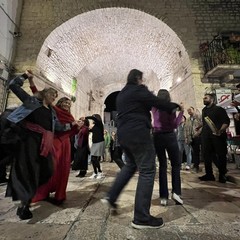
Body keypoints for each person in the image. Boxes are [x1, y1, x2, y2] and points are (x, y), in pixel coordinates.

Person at [102, 69, 179, 229]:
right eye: (142, 79)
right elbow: (156, 102)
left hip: (124, 134)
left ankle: (111, 196)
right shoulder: (139, 90)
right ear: (138, 78)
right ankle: (141, 218)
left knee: (130, 165)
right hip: (138, 133)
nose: (143, 82)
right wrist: (173, 106)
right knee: (148, 170)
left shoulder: (122, 94)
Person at [5, 71, 80, 220]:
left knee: (47, 170)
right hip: (28, 142)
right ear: (44, 94)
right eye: (52, 94)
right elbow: (13, 85)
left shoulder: (52, 111)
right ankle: (24, 206)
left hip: (44, 144)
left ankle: (28, 197)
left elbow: (58, 127)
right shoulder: (32, 101)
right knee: (28, 173)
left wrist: (72, 125)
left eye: (55, 96)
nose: (54, 97)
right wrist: (26, 76)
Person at [152, 89, 184, 206]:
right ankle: (176, 192)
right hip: (170, 136)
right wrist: (181, 112)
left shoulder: (154, 107)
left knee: (162, 165)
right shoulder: (171, 108)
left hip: (157, 136)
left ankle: (163, 197)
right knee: (175, 165)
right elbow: (175, 124)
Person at [199, 93, 230, 183]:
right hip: (206, 137)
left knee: (221, 155)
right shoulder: (204, 110)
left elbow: (226, 121)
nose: (204, 99)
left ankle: (222, 174)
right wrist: (199, 130)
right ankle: (209, 175)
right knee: (207, 155)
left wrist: (220, 130)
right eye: (203, 98)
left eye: (206, 98)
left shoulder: (219, 109)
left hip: (217, 137)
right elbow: (205, 123)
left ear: (211, 99)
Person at [85, 114, 105, 179]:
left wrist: (86, 117)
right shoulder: (95, 126)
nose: (93, 119)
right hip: (95, 143)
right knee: (93, 159)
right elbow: (89, 130)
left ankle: (100, 172)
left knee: (95, 159)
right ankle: (95, 172)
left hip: (99, 142)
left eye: (94, 117)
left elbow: (95, 119)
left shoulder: (99, 124)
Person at [185, 107, 202, 172]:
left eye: (190, 110)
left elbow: (202, 125)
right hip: (191, 138)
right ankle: (196, 166)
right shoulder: (188, 120)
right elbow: (186, 129)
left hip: (199, 136)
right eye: (188, 110)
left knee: (203, 151)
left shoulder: (198, 117)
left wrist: (198, 133)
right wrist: (186, 137)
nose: (189, 111)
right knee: (195, 152)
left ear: (194, 110)